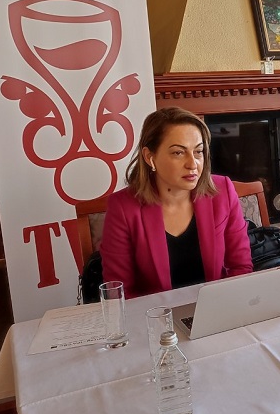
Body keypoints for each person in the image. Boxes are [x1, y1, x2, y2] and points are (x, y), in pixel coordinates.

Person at [101, 107, 252, 298]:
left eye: (198, 151)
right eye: (178, 153)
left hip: (216, 307)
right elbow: (120, 293)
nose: (193, 164)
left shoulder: (223, 191)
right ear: (149, 157)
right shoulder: (123, 207)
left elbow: (241, 267)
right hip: (154, 313)